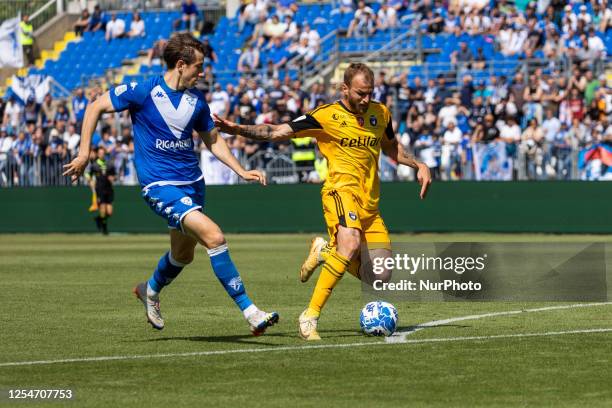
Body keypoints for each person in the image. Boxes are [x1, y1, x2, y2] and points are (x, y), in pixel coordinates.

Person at [63, 33, 279, 335]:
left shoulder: (196, 101)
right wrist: (85, 152)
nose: (202, 73)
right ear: (180, 64)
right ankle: (251, 311)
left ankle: (149, 291)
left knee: (182, 255)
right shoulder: (144, 90)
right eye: (199, 67)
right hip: (159, 185)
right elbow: (95, 107)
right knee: (214, 237)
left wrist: (241, 171)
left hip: (193, 184)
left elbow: (213, 142)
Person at [214, 63, 432, 340]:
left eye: (370, 93)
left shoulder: (381, 113)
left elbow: (391, 146)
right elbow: (278, 131)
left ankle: (324, 251)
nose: (366, 99)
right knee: (350, 243)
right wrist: (236, 129)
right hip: (339, 192)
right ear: (344, 89)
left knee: (381, 275)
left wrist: (418, 164)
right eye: (360, 93)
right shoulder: (326, 116)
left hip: (370, 204)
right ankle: (310, 315)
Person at [88, 146, 115, 235]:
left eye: (103, 153)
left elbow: (114, 175)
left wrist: (113, 178)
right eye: (100, 153)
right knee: (102, 208)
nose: (101, 155)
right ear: (98, 154)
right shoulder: (94, 165)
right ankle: (104, 229)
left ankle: (99, 219)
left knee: (110, 212)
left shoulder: (109, 164)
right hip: (100, 188)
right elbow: (88, 174)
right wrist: (90, 181)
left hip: (109, 188)